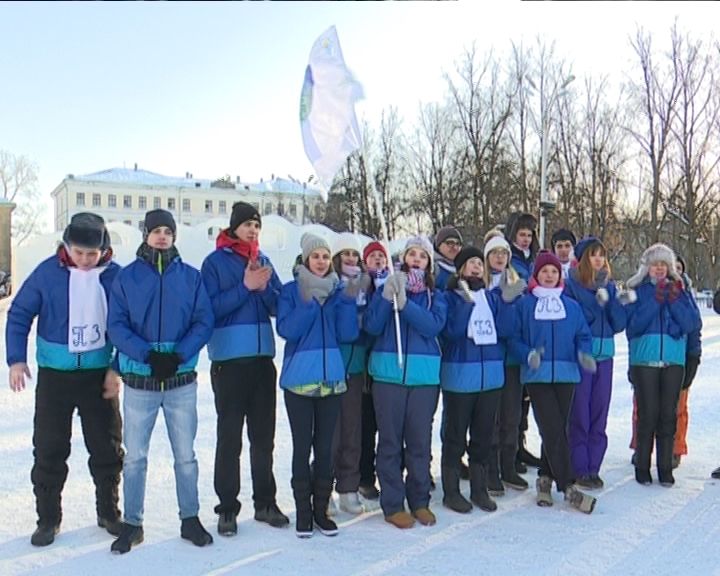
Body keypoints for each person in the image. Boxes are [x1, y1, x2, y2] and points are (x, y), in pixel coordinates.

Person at [6, 213, 124, 546]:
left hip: (98, 376)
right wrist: (16, 359)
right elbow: (19, 313)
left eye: (92, 254)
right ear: (66, 247)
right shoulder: (48, 273)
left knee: (107, 446)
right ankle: (47, 519)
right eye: (78, 253)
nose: (85, 261)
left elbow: (129, 324)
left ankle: (108, 512)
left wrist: (118, 367)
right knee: (49, 447)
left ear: (104, 249)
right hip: (55, 377)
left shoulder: (116, 277)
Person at [108, 209, 214, 553]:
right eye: (156, 231)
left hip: (180, 381)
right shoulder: (126, 278)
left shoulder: (191, 277)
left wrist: (179, 355)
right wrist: (147, 355)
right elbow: (117, 326)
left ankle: (190, 518)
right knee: (135, 456)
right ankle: (133, 524)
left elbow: (203, 321)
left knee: (185, 455)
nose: (162, 236)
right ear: (146, 234)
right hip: (141, 383)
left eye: (168, 230)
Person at [200, 201, 289, 536]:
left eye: (257, 225)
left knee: (263, 438)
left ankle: (265, 502)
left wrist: (264, 290)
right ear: (233, 226)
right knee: (229, 438)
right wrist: (245, 287)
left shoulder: (262, 260)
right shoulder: (214, 263)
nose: (253, 230)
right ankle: (227, 508)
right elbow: (209, 310)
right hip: (229, 363)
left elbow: (280, 307)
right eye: (248, 224)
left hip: (262, 361)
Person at [277, 233, 360, 538]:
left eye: (326, 256)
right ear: (305, 260)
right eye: (316, 256)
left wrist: (348, 302)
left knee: (324, 449)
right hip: (299, 382)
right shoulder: (291, 291)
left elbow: (347, 334)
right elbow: (287, 328)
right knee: (302, 448)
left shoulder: (339, 292)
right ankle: (303, 512)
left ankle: (321, 509)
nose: (322, 262)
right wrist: (311, 301)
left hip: (332, 382)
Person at [364, 236, 447, 529]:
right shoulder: (388, 287)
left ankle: (420, 501)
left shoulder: (436, 296)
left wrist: (406, 306)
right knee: (389, 443)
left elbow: (432, 326)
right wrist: (388, 298)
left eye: (422, 256)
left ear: (429, 263)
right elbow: (372, 325)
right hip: (389, 374)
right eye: (412, 254)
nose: (416, 259)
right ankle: (393, 503)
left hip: (424, 377)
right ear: (402, 258)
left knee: (419, 443)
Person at [510, 250, 597, 513]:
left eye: (554, 272)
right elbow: (513, 338)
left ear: (560, 275)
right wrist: (527, 354)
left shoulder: (570, 306)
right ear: (536, 275)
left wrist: (584, 353)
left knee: (557, 429)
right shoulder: (525, 304)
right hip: (537, 376)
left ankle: (545, 480)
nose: (549, 275)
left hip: (567, 374)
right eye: (544, 271)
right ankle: (569, 486)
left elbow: (583, 334)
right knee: (552, 428)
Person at [440, 246, 515, 513]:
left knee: (483, 437)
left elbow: (506, 330)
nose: (476, 267)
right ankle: (451, 491)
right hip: (460, 375)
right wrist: (465, 301)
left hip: (491, 377)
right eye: (470, 263)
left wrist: (507, 301)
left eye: (478, 264)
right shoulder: (449, 297)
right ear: (460, 269)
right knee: (455, 436)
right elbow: (450, 331)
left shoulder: (491, 298)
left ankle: (479, 489)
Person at [625, 243, 700, 487]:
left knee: (669, 415)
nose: (659, 269)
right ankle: (642, 466)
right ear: (647, 267)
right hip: (644, 359)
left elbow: (691, 323)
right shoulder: (637, 290)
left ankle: (665, 467)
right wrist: (656, 301)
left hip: (673, 361)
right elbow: (633, 326)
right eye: (655, 264)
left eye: (663, 264)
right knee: (647, 415)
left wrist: (675, 300)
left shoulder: (681, 290)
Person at [564, 237, 627, 489]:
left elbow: (619, 323)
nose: (599, 259)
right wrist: (595, 301)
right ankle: (579, 467)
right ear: (582, 259)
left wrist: (609, 298)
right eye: (593, 254)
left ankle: (594, 466)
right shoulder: (571, 286)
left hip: (605, 356)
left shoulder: (610, 287)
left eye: (602, 254)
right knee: (580, 412)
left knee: (600, 413)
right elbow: (576, 321)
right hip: (582, 357)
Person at [482, 230, 527, 495]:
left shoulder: (515, 282)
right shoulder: (481, 284)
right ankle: (490, 470)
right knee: (492, 417)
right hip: (489, 358)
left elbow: (518, 322)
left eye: (503, 253)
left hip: (511, 359)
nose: (499, 257)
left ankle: (508, 465)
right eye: (495, 253)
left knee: (512, 415)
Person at [330, 233, 372, 514]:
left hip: (357, 367)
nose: (350, 258)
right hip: (333, 366)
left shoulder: (366, 287)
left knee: (352, 431)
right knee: (330, 434)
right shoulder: (331, 286)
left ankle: (348, 488)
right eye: (344, 254)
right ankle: (322, 488)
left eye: (354, 254)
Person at [504, 213, 543, 471]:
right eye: (522, 234)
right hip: (515, 329)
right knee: (510, 401)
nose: (526, 239)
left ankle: (520, 443)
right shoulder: (511, 260)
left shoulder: (535, 260)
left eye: (529, 235)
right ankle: (509, 450)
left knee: (525, 397)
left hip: (532, 328)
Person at [358, 240, 390, 501]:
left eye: (382, 256)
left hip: (390, 361)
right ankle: (364, 476)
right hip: (367, 363)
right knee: (366, 424)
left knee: (387, 424)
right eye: (373, 256)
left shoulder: (393, 282)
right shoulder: (363, 285)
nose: (378, 260)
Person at [433, 225, 463, 290]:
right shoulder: (433, 269)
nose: (455, 247)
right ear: (439, 246)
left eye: (458, 243)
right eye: (450, 243)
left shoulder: (464, 269)